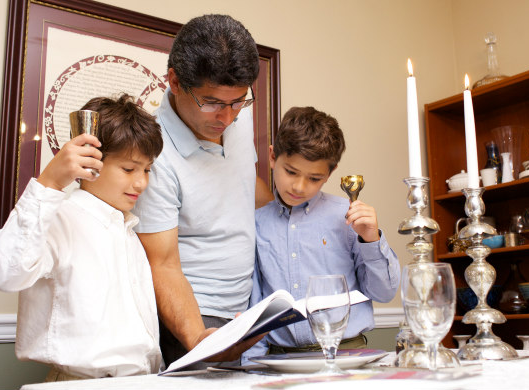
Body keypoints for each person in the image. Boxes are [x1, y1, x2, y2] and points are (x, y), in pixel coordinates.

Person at [0, 94, 164, 381]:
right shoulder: (59, 218)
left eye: (147, 170)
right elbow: (4, 274)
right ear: (90, 161)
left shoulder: (127, 230)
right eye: (129, 169)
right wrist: (50, 183)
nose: (141, 182)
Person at [131, 14, 273, 366]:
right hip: (194, 319)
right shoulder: (152, 152)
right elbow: (161, 263)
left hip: (248, 307)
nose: (226, 118)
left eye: (238, 101)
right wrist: (198, 337)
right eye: (211, 103)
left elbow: (241, 186)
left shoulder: (234, 113)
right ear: (175, 82)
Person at [242, 106, 400, 361]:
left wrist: (371, 239)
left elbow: (384, 293)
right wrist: (250, 368)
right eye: (291, 172)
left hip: (349, 358)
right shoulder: (257, 224)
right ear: (272, 157)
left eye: (314, 178)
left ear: (330, 173)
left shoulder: (347, 217)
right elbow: (256, 305)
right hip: (281, 362)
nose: (299, 186)